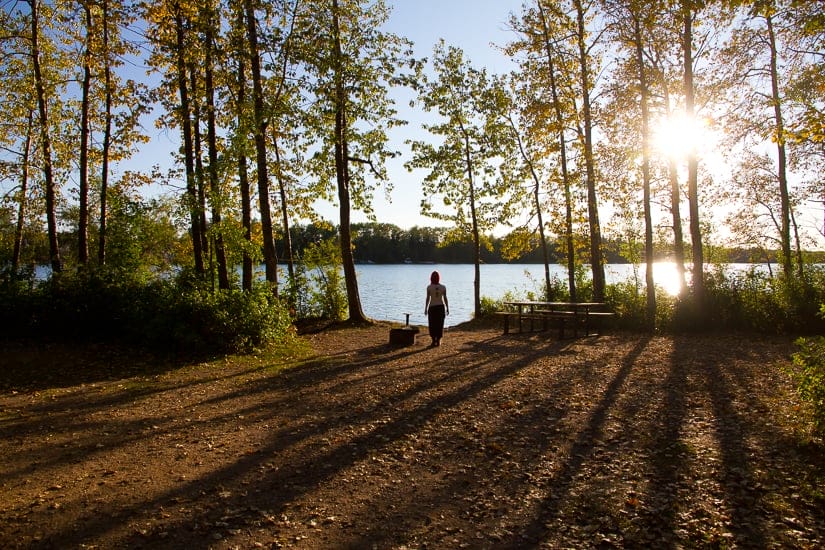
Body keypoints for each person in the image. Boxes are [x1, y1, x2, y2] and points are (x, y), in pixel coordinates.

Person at [424, 270, 449, 347]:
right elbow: (445, 298)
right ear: (439, 278)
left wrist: (425, 308)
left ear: (431, 278)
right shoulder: (443, 287)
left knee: (432, 324)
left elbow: (428, 298)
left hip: (432, 307)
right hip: (441, 307)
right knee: (440, 324)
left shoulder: (429, 287)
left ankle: (433, 340)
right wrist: (447, 307)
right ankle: (438, 340)